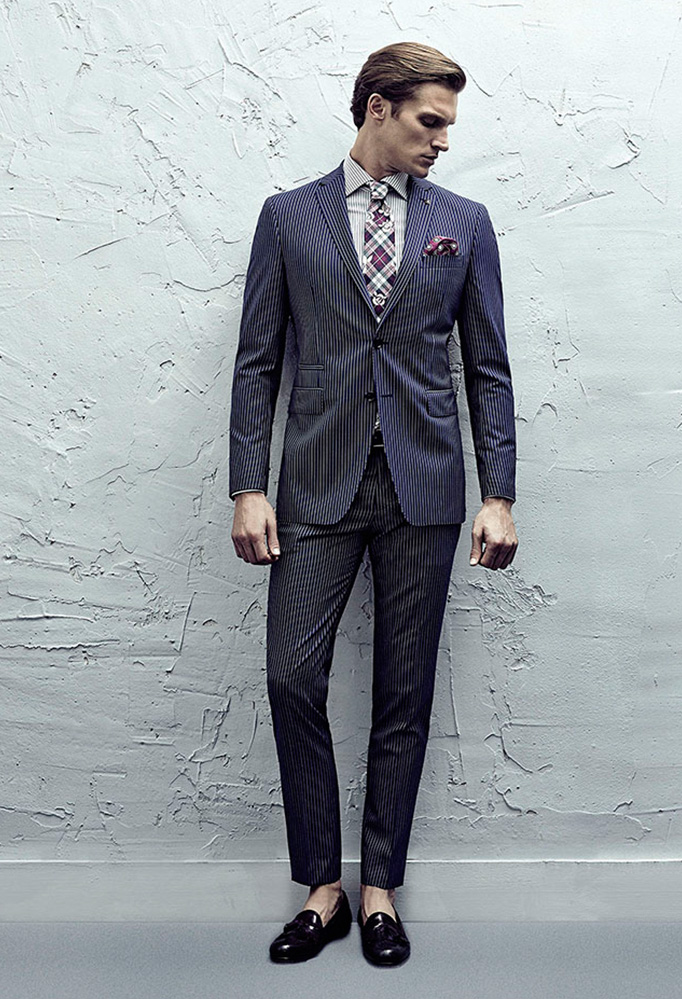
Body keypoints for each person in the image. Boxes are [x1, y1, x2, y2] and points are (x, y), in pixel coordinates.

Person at [229, 41, 518, 966]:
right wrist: (248, 485)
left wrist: (499, 493)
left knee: (405, 692)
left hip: (425, 488)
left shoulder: (463, 222)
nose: (443, 140)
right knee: (291, 678)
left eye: (449, 125)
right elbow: (258, 362)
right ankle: (322, 887)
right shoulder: (289, 217)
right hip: (316, 483)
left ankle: (380, 888)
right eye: (430, 120)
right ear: (378, 107)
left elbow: (487, 368)